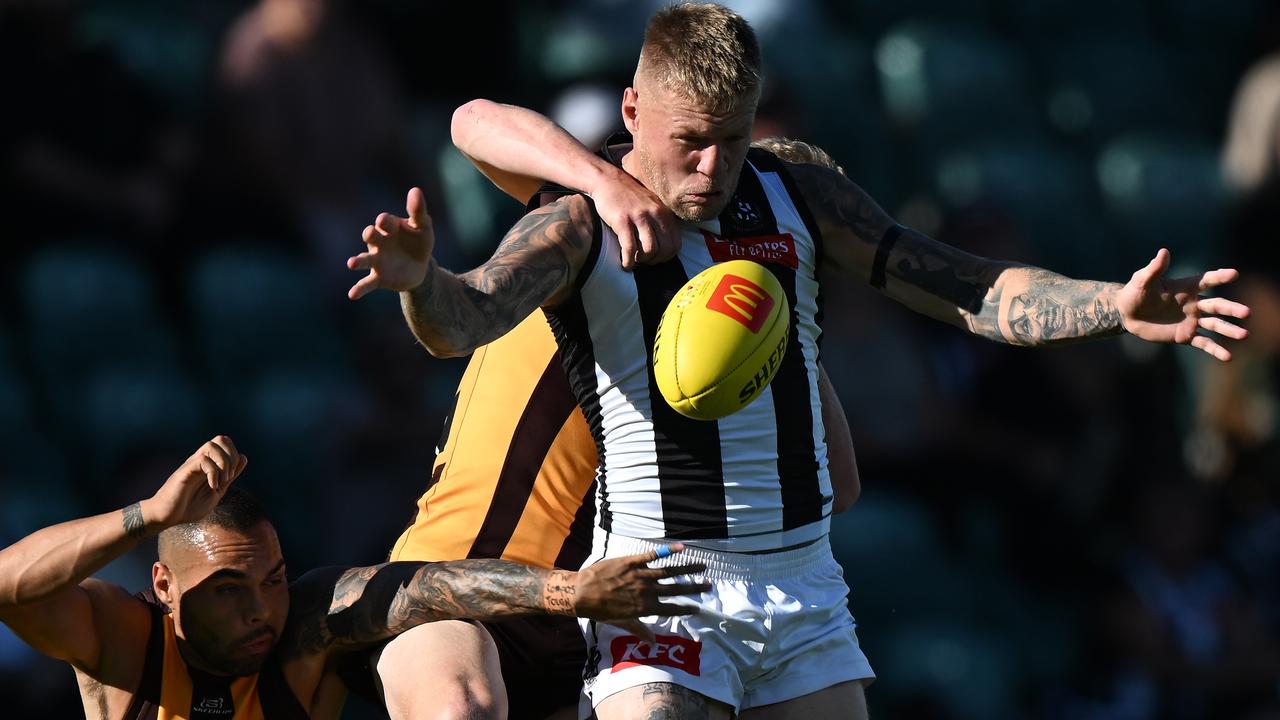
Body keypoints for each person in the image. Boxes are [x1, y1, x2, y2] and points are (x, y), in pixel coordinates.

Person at [347, 4, 1250, 717]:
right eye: (688, 141)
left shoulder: (798, 202)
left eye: (732, 140)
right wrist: (424, 280)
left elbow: (964, 288)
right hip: (644, 578)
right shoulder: (584, 220)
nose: (711, 167)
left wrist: (1110, 306)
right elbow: (464, 313)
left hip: (793, 582)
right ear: (633, 115)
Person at [358, 137, 862, 720]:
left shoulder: (733, 323)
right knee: (457, 707)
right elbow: (472, 121)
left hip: (589, 611)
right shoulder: (596, 234)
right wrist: (602, 181)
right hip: (455, 587)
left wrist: (785, 335)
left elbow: (840, 486)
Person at [0, 436, 708, 719]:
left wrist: (567, 592)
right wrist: (149, 513)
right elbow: (9, 585)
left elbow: (418, 588)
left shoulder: (301, 630)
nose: (260, 612)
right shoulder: (124, 644)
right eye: (228, 591)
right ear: (164, 589)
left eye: (272, 580)